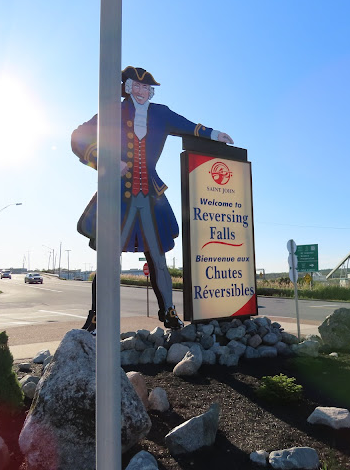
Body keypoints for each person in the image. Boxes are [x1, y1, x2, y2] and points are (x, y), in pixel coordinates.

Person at [72, 66, 233, 331]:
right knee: (109, 258)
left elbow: (188, 126)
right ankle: (97, 316)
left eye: (147, 87)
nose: (143, 91)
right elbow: (79, 137)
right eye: (137, 86)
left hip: (150, 197)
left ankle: (169, 312)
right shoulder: (114, 111)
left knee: (158, 257)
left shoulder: (161, 113)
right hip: (118, 198)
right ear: (126, 87)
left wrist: (215, 134)